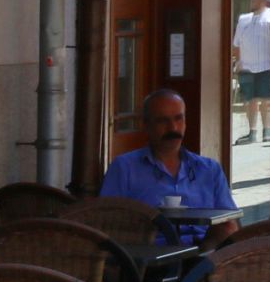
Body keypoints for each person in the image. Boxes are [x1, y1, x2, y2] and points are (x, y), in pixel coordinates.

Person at [99, 89, 239, 245]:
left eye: (178, 119)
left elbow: (229, 220)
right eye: (162, 121)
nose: (173, 128)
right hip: (151, 252)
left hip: (204, 249)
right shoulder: (125, 168)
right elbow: (106, 221)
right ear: (146, 125)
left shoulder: (209, 169)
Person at [231, 0, 270, 144]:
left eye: (254, 0)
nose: (251, 2)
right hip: (247, 66)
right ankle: (252, 132)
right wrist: (238, 61)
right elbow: (236, 43)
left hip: (267, 64)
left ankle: (267, 130)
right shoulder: (244, 19)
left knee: (266, 99)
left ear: (262, 0)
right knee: (250, 100)